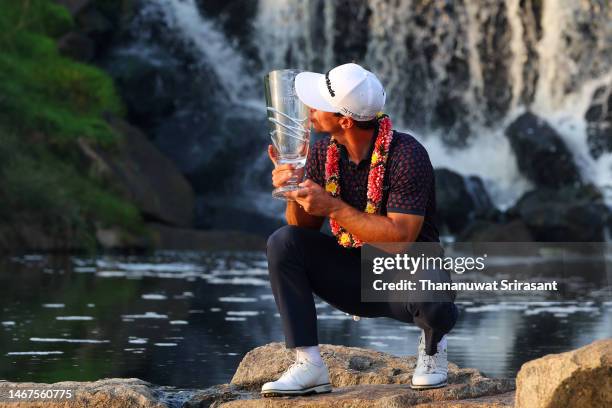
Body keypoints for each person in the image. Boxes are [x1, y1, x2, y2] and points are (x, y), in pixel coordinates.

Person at [261, 63, 458, 397]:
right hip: (350, 275)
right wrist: (294, 190)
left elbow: (400, 239)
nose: (309, 109)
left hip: (404, 276)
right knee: (284, 242)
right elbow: (302, 227)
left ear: (345, 120)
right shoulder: (323, 152)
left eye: (318, 103)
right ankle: (308, 364)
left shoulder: (408, 155)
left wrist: (334, 207)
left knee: (435, 299)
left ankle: (432, 347)